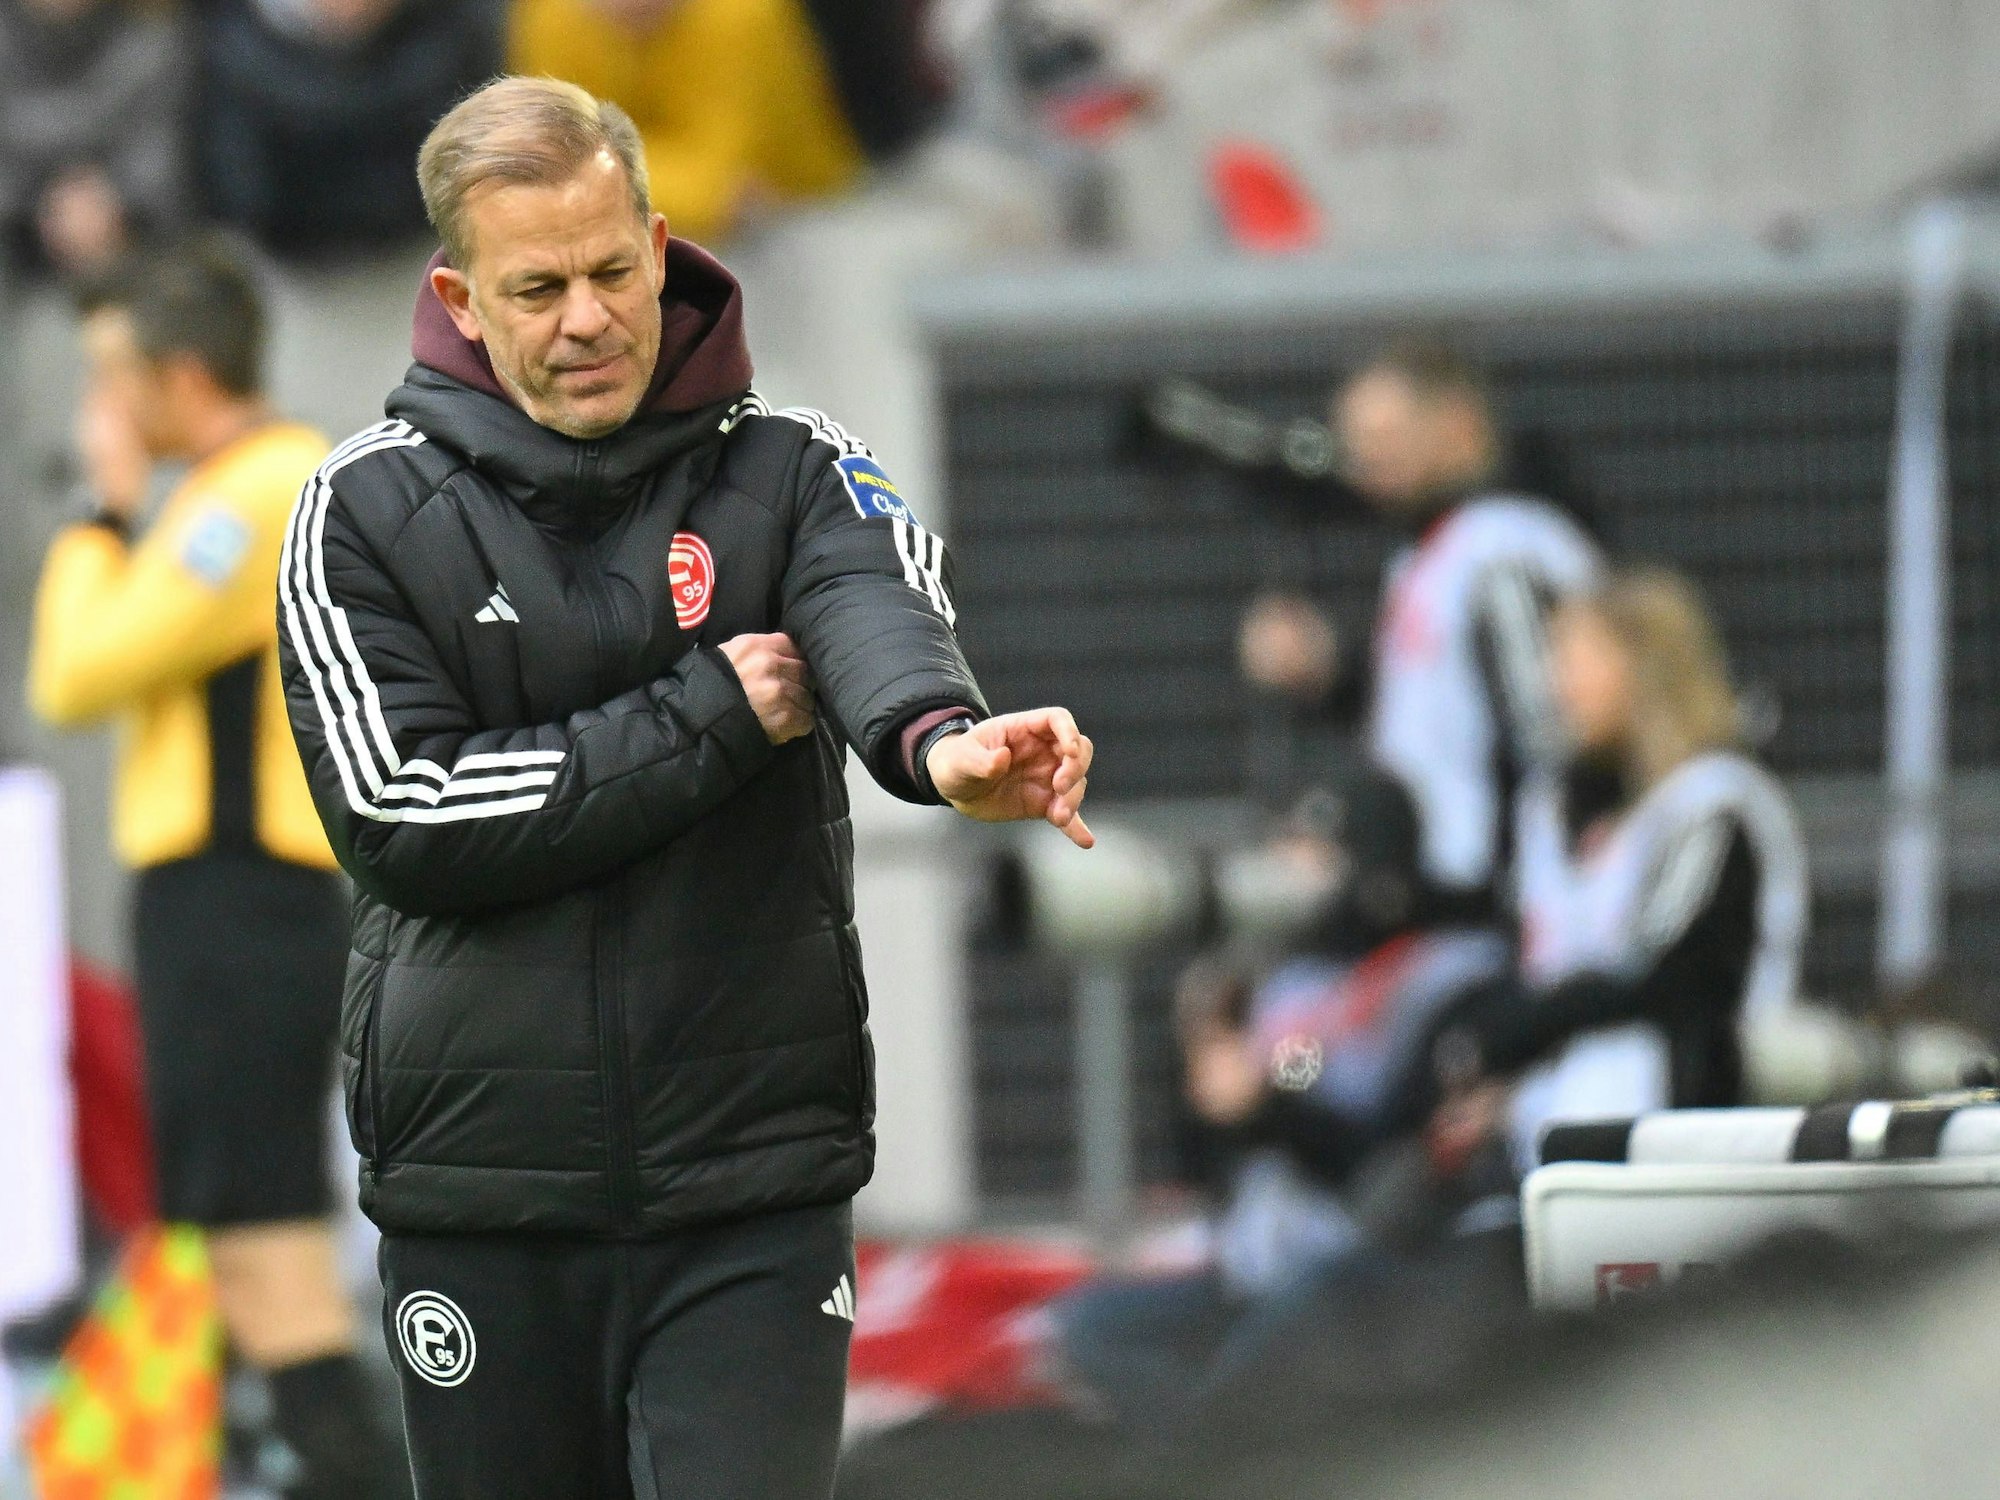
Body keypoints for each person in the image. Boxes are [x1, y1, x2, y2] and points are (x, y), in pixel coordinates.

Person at [276, 76, 1093, 1499]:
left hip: (751, 1195)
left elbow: (874, 621)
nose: (586, 318)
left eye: (610, 272)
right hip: (486, 1203)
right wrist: (710, 715)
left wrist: (945, 746)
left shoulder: (800, 470)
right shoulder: (360, 512)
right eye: (538, 288)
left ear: (660, 250)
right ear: (460, 301)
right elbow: (407, 814)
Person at [26, 239, 407, 1500]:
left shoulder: (254, 493)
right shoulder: (222, 493)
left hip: (246, 898)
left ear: (180, 375)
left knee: (263, 1237)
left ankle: (363, 1472)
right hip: (214, 903)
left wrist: (101, 509)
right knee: (237, 1238)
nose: (100, 413)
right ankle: (321, 1457)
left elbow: (75, 677)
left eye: (110, 379)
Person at [1056, 760, 1509, 1429]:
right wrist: (1202, 1072)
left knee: (1261, 1361)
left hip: (1365, 1278)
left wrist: (1268, 1107)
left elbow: (1390, 1160)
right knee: (1089, 1328)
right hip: (1261, 1276)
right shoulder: (1292, 988)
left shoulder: (1445, 981)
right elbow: (1218, 1162)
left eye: (1315, 851)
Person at [1146, 341, 1605, 913]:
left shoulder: (1508, 545)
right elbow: (1435, 716)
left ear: (1457, 424)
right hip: (1435, 885)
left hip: (1497, 898)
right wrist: (1329, 671)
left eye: (1384, 439)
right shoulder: (1425, 554)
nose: (1364, 463)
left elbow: (1548, 731)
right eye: (1356, 444)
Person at [1436, 569, 1810, 1158]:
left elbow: (1661, 974)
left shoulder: (1713, 803)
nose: (1558, 686)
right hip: (1553, 1144)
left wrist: (1523, 1028)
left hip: (1687, 1141)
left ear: (1644, 667)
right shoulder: (1561, 815)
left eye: (1577, 660)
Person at [509, 0, 885, 245]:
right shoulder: (552, 17)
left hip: (813, 223)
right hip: (652, 231)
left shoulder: (742, 15)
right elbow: (559, 157)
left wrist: (590, 178)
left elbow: (720, 179)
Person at [193, 0, 502, 258]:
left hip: (426, 262)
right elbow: (235, 191)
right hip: (267, 276)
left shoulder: (454, 36)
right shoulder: (217, 45)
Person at [0, 0, 186, 280]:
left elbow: (160, 157)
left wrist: (114, 196)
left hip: (129, 244)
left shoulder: (154, 35)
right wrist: (44, 202)